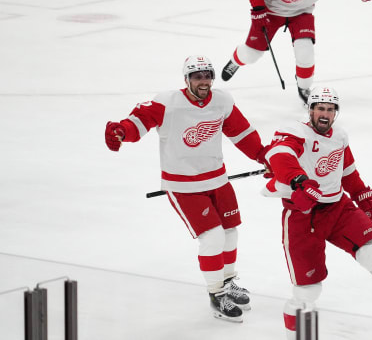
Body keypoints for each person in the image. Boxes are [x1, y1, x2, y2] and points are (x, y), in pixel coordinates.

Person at [261, 86, 372, 338]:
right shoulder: (296, 132)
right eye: (320, 108)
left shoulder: (339, 136)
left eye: (330, 109)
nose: (325, 114)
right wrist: (298, 180)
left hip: (338, 208)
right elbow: (279, 154)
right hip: (303, 217)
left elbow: (348, 173)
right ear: (309, 109)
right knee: (307, 292)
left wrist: (363, 196)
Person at [104, 56, 268, 323]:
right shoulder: (168, 102)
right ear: (187, 79)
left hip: (218, 180)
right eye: (197, 77)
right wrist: (122, 131)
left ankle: (227, 281)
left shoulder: (222, 101)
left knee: (230, 233)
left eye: (207, 76)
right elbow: (138, 122)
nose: (203, 82)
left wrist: (265, 155)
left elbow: (242, 133)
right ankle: (217, 294)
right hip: (184, 185)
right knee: (213, 237)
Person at [220, 0, 372, 104]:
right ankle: (236, 60)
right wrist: (258, 10)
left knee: (305, 51)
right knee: (251, 55)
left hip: (301, 12)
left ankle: (304, 87)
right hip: (271, 12)